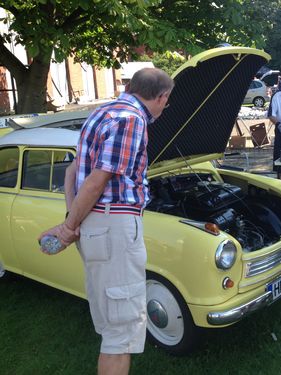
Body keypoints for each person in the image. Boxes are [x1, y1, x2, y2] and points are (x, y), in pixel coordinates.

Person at [39, 68, 175, 375]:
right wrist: (68, 228)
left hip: (96, 225)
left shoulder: (101, 113)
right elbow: (97, 182)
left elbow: (73, 172)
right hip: (115, 225)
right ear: (162, 96)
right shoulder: (132, 120)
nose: (165, 108)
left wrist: (73, 220)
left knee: (111, 324)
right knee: (121, 333)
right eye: (166, 101)